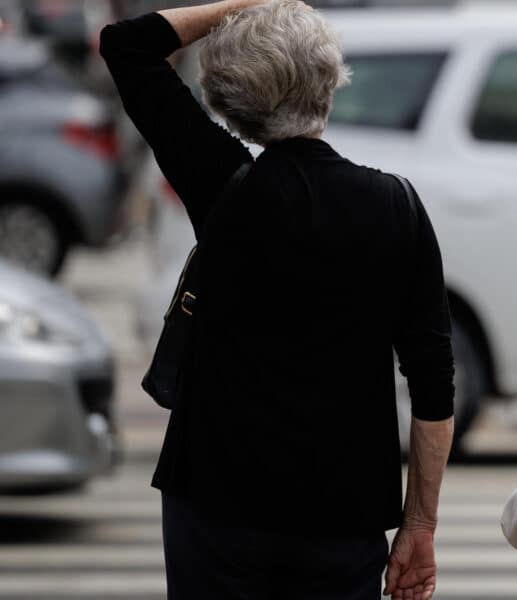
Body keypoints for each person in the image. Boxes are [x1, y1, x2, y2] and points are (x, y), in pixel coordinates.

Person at [100, 2, 455, 599]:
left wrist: (245, 6)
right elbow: (433, 385)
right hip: (342, 512)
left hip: (215, 500)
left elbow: (127, 44)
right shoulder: (396, 206)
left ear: (233, 100)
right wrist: (419, 523)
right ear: (329, 82)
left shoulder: (221, 184)